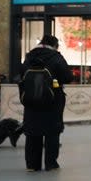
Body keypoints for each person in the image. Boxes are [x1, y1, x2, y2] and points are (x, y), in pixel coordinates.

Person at [20, 34, 71, 171]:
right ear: (55, 45)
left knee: (32, 132)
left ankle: (32, 165)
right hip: (52, 101)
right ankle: (50, 163)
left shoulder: (29, 56)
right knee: (52, 132)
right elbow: (68, 76)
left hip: (31, 100)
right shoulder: (56, 57)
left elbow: (20, 74)